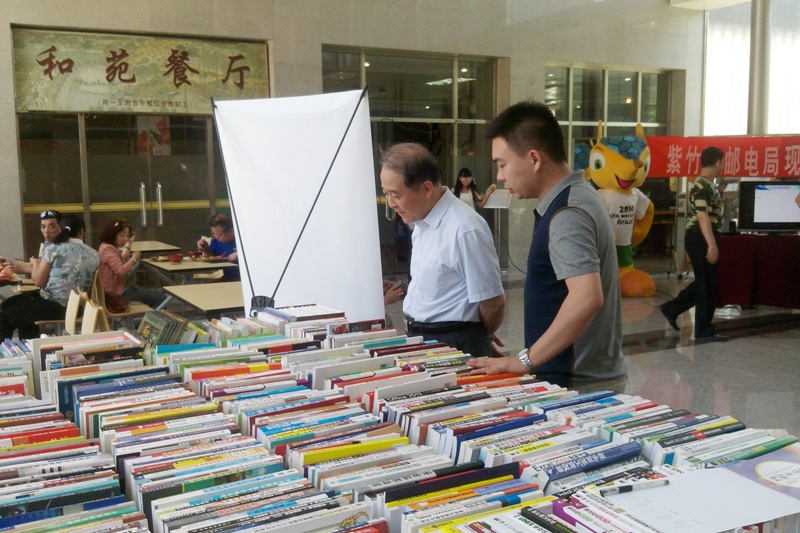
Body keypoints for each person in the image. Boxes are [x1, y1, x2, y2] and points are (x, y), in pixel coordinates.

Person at [466, 101, 626, 389]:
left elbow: (587, 297)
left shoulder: (567, 212)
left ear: (534, 159)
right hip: (577, 376)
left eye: (502, 165)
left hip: (577, 384)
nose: (500, 176)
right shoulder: (578, 196)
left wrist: (524, 360)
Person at [380, 143, 506, 358]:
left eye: (396, 195)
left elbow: (493, 303)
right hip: (420, 338)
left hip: (453, 342)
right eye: (386, 194)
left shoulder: (465, 228)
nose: (390, 203)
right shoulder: (421, 221)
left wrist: (477, 337)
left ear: (427, 189)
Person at [660, 146, 727, 342]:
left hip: (703, 236)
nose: (722, 166)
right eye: (722, 163)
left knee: (705, 283)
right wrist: (711, 244)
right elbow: (701, 215)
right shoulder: (701, 185)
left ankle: (672, 309)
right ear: (718, 163)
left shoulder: (708, 185)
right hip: (700, 237)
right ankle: (703, 330)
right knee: (706, 284)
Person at [0, 210, 98, 340]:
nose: (47, 231)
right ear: (81, 232)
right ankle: (30, 344)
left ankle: (6, 350)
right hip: (79, 306)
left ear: (61, 229)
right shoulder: (93, 253)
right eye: (43, 226)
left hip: (55, 304)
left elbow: (38, 282)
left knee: (5, 318)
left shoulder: (54, 248)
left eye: (52, 226)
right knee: (11, 306)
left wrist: (35, 263)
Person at [98, 218, 166, 312]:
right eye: (122, 235)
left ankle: (148, 319)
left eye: (127, 235)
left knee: (154, 296)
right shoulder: (108, 250)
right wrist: (134, 259)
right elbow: (121, 271)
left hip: (119, 288)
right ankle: (149, 321)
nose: (125, 238)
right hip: (116, 293)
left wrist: (129, 243)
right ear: (112, 235)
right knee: (161, 299)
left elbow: (121, 259)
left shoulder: (107, 246)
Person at [196, 213, 240, 281]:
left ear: (232, 231)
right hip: (227, 278)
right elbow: (212, 257)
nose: (216, 237)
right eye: (214, 234)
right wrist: (205, 249)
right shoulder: (217, 241)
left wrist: (238, 254)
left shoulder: (243, 240)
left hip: (243, 280)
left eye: (220, 235)